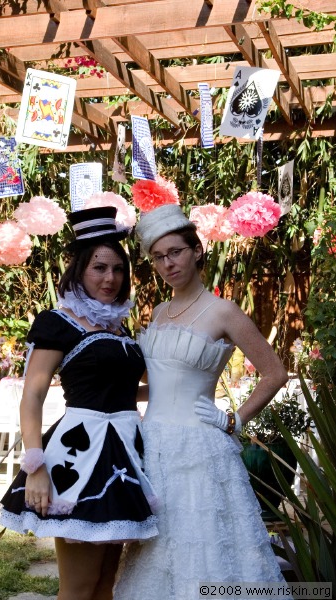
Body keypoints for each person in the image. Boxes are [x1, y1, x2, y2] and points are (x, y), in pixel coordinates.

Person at [113, 204, 289, 600]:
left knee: (205, 548)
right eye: (159, 257)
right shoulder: (159, 312)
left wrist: (234, 420)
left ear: (196, 250)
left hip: (200, 450)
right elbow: (161, 385)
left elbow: (275, 374)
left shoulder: (223, 311)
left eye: (175, 252)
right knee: (157, 552)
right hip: (152, 447)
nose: (168, 263)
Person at [0, 206, 158, 600]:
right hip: (79, 457)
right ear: (79, 271)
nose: (110, 278)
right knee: (79, 587)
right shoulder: (59, 322)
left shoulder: (118, 327)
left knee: (106, 585)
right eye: (99, 268)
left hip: (125, 456)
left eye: (118, 269)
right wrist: (35, 466)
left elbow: (123, 392)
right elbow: (33, 395)